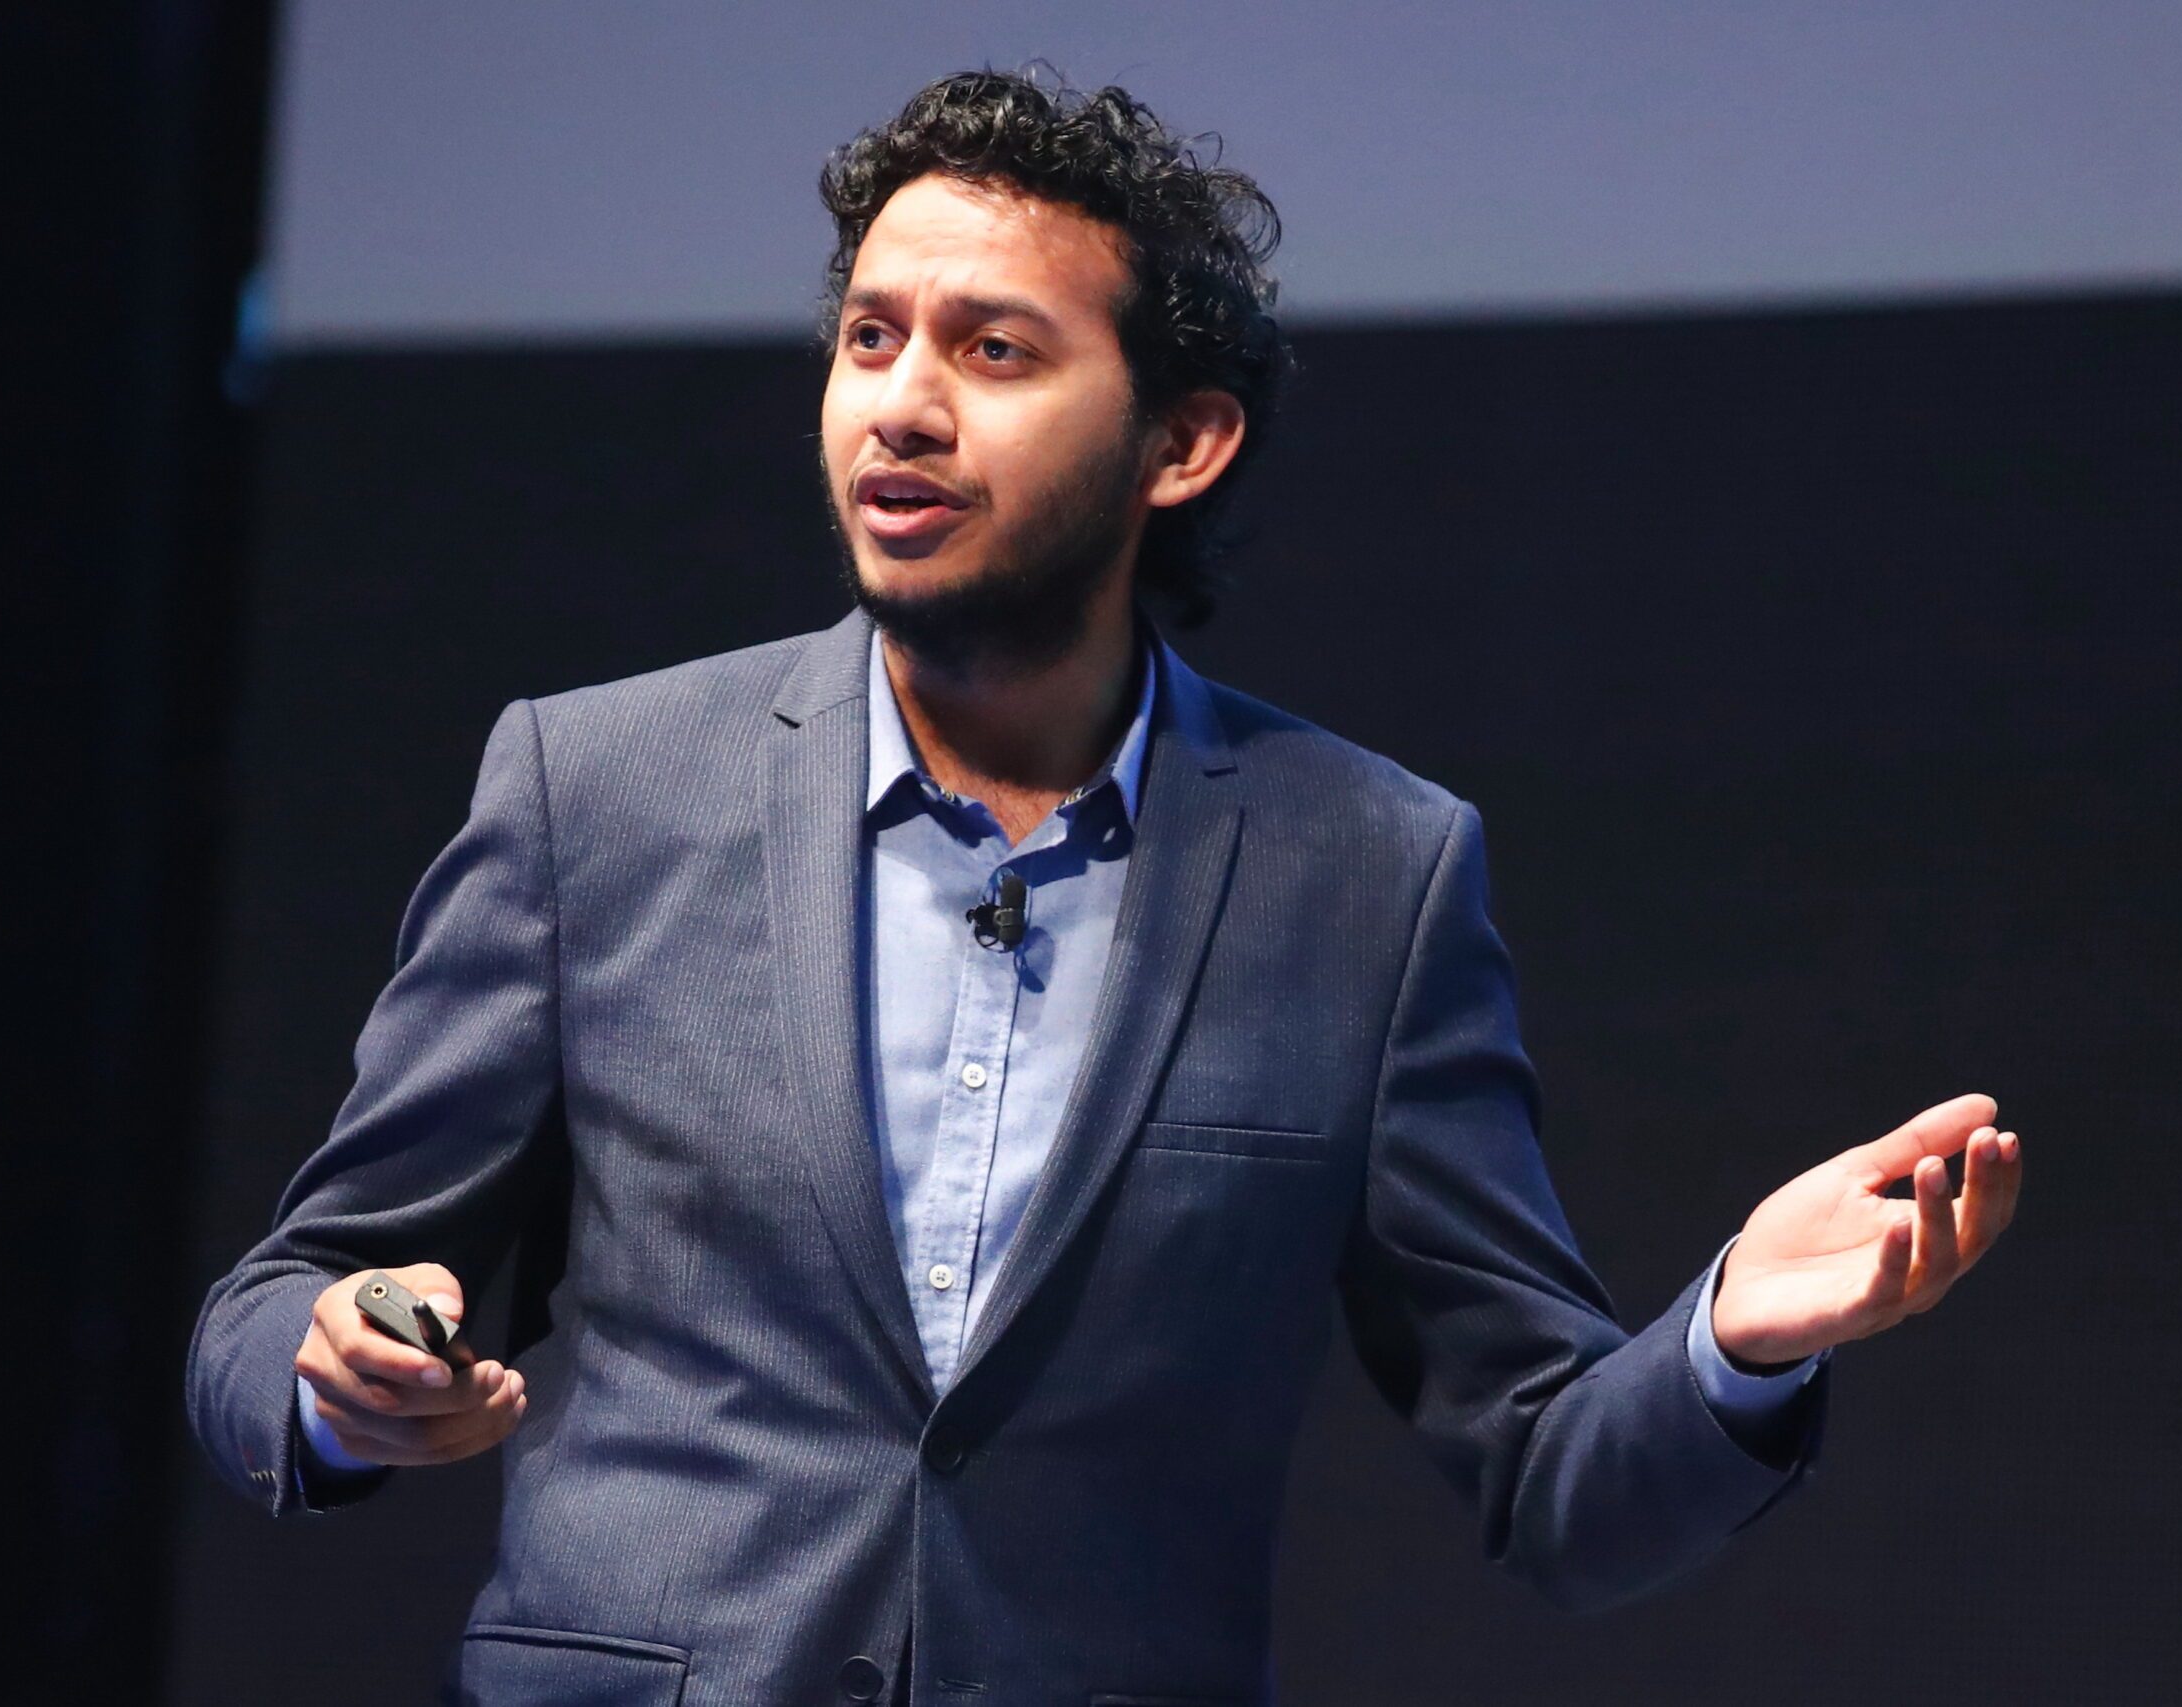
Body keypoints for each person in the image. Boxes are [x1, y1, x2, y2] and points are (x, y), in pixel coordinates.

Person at [187, 70, 2022, 1707]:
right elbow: (286, 1297)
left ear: (1181, 442)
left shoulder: (1366, 876)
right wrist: (335, 1371)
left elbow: (1550, 1482)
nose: (899, 406)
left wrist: (1731, 1345)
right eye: (869, 337)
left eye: (992, 351)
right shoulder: (595, 794)